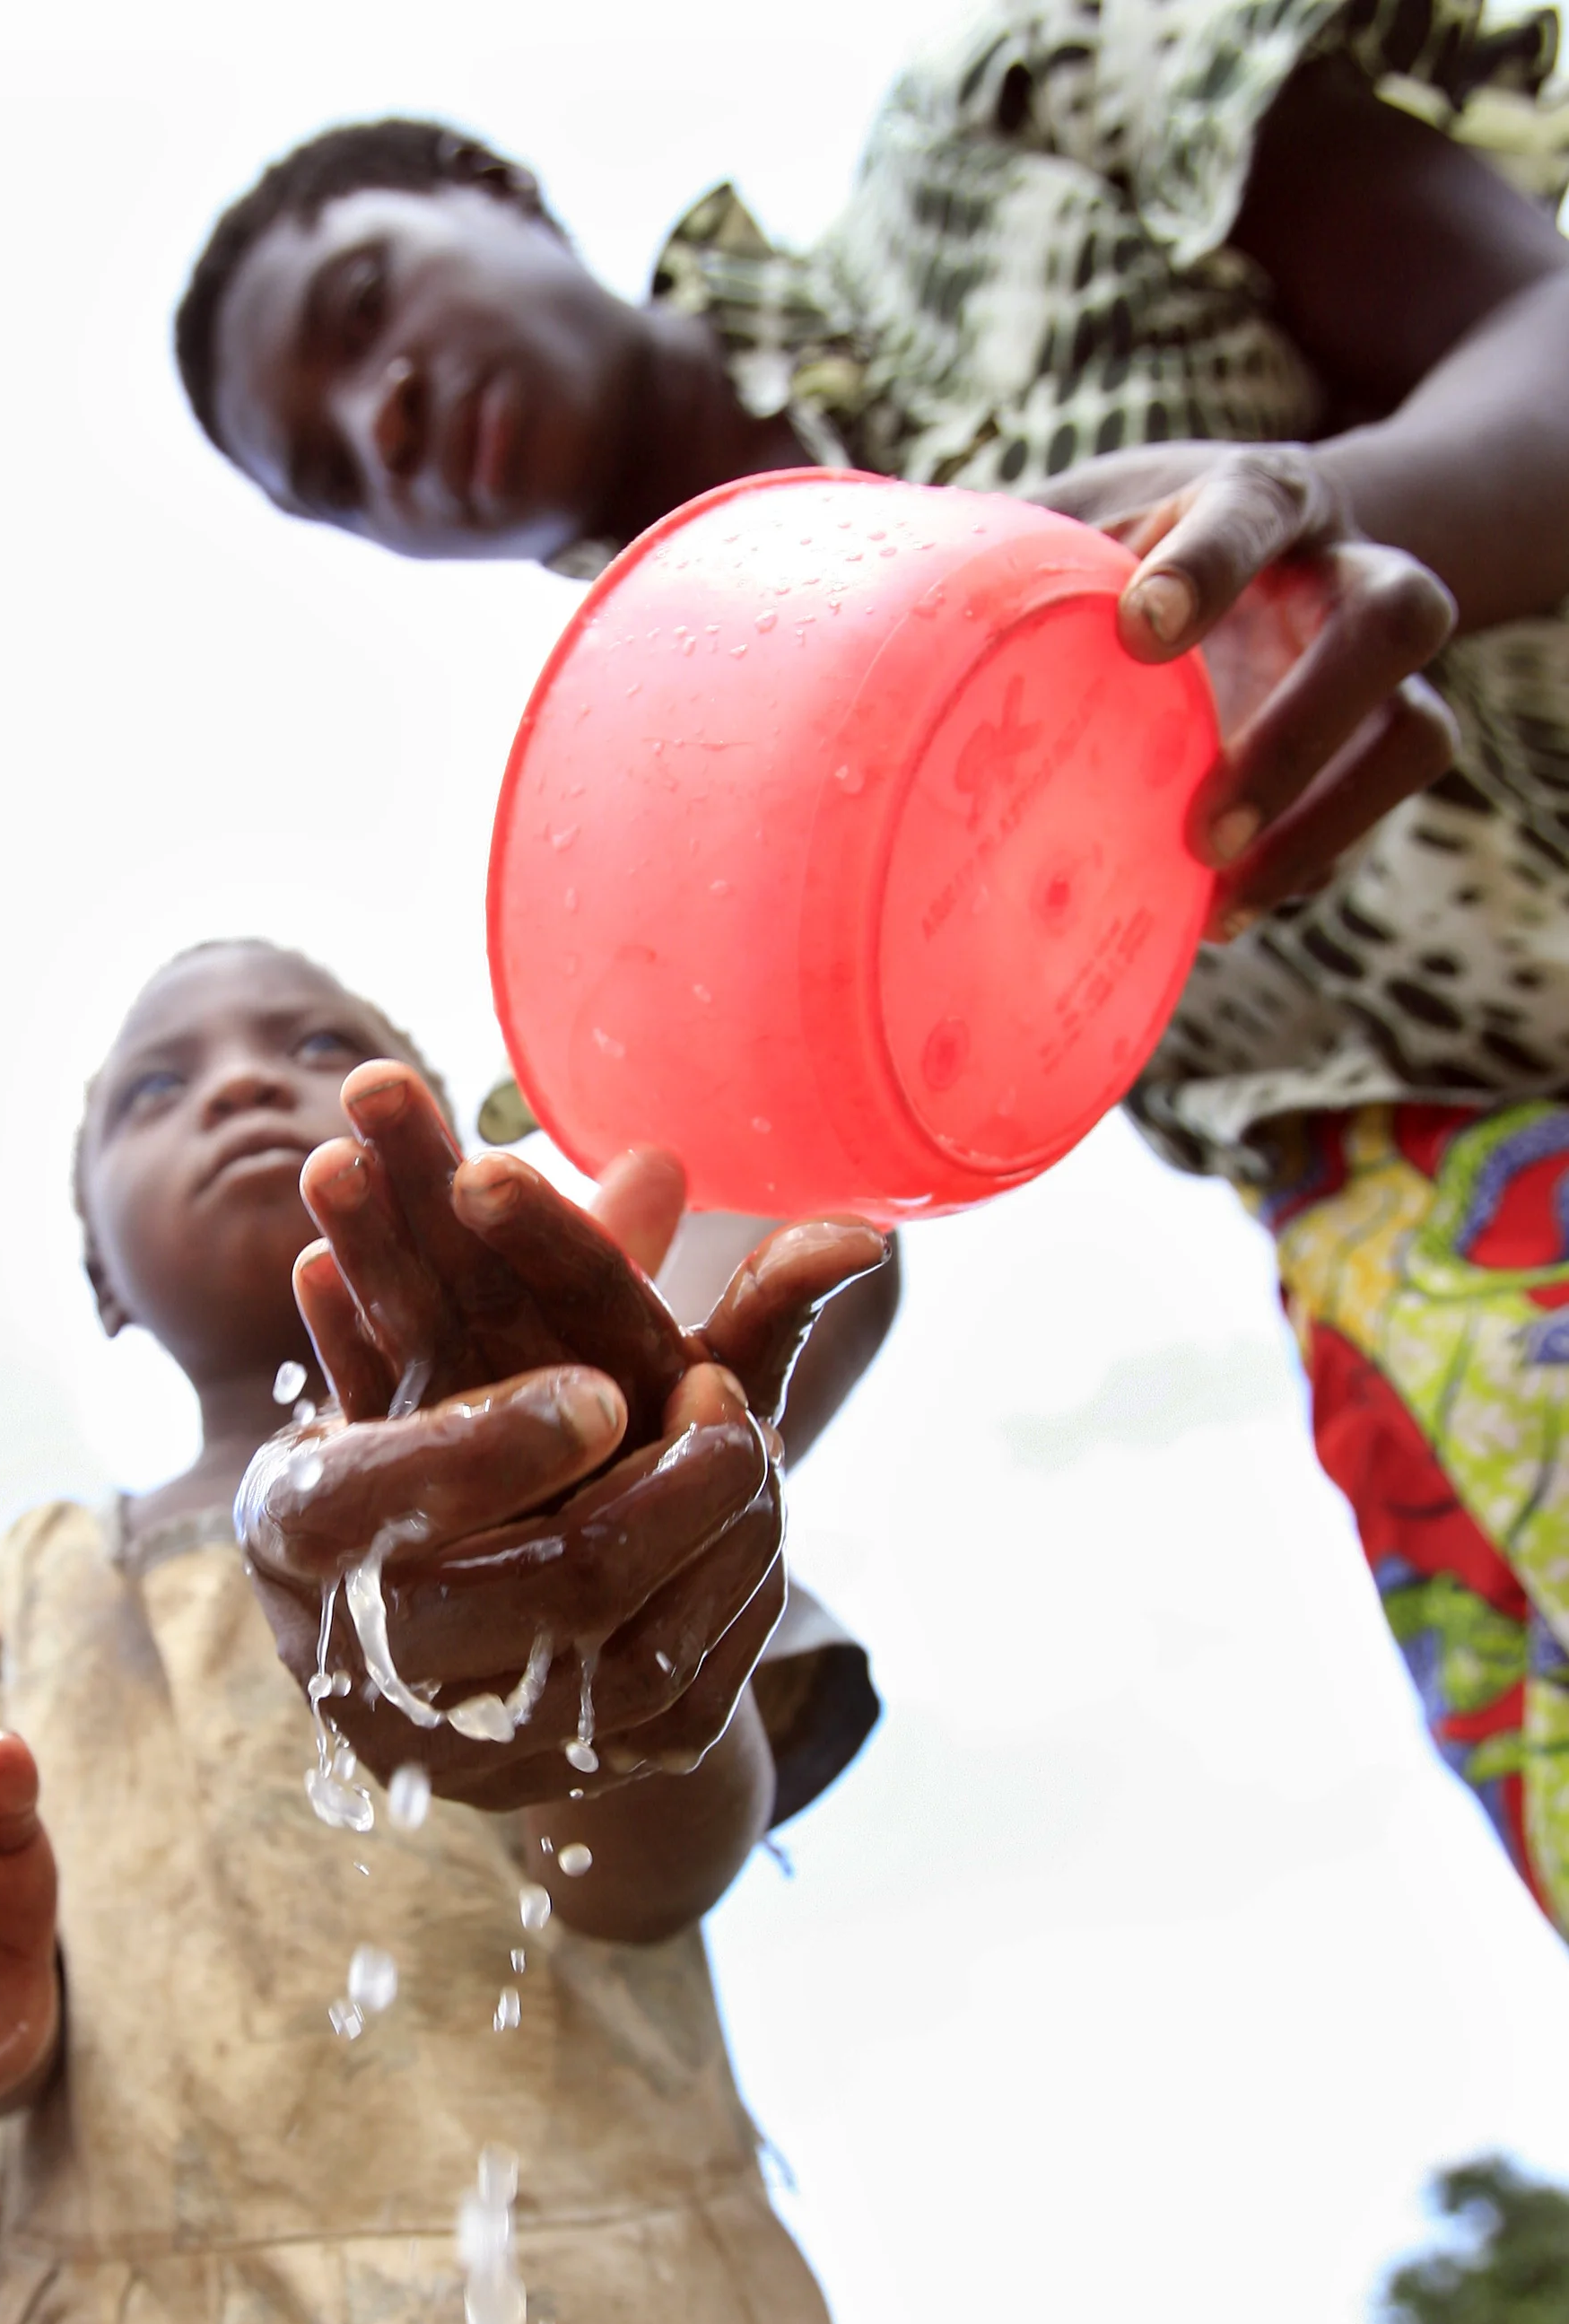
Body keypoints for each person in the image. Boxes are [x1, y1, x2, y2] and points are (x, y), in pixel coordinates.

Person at [170, 0, 1569, 1931]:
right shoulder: (661, 836)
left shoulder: (1013, 118)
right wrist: (528, 1502)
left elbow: (1543, 326)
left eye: (359, 310)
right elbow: (702, 1260)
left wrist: (1348, 526)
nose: (382, 419)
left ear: (486, 194)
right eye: (332, 468)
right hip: (1455, 1229)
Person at [0, 938, 891, 2324]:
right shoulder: (26, 1589)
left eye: (316, 1046)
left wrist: (605, 1633)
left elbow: (649, 1879)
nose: (241, 1078)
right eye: (159, 1083)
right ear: (102, 1272)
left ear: (449, 1173)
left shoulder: (599, 1481)